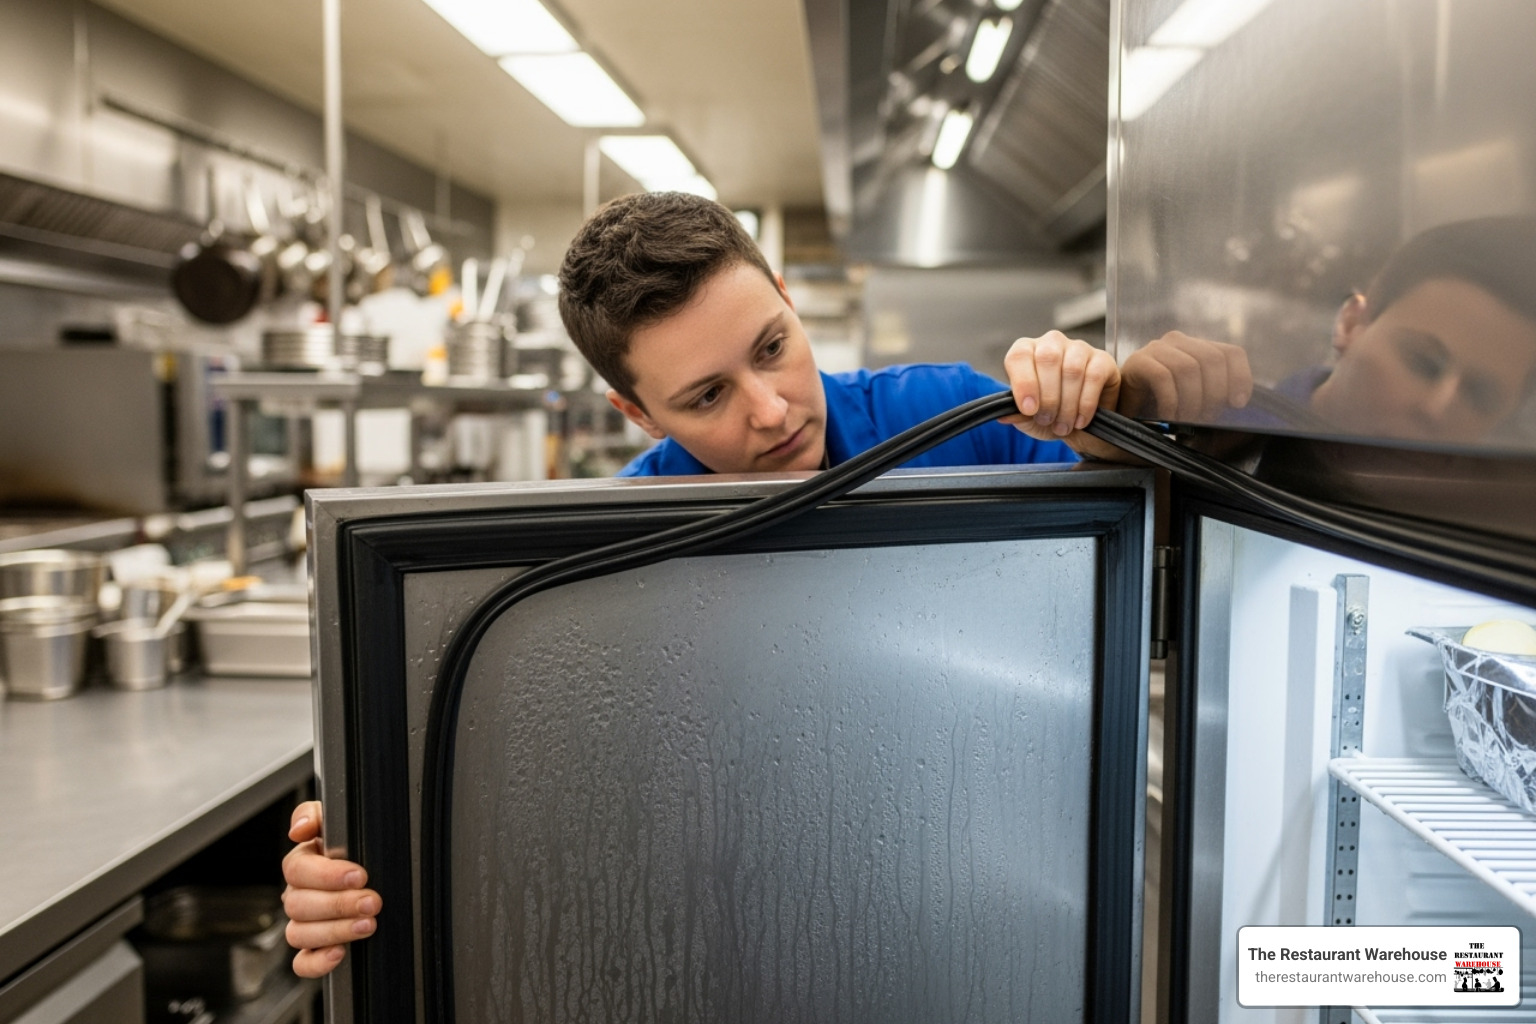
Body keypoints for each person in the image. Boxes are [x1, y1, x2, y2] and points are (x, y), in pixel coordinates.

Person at [280, 191, 1252, 978]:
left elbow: (1130, 538)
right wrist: (355, 859)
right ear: (634, 412)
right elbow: (523, 779)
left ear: (786, 294)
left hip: (990, 876)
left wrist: (1113, 413)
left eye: (774, 345)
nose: (772, 408)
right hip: (746, 924)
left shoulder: (951, 418)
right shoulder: (598, 563)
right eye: (705, 396)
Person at [1225, 216, 1536, 444]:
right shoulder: (1217, 433)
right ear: (1350, 324)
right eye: (1422, 362)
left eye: (1480, 394)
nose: (1436, 409)